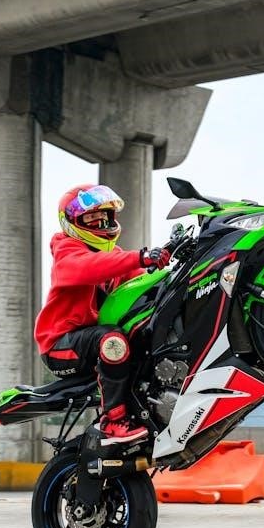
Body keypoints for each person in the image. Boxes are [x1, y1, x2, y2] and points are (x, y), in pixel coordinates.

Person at [34, 183, 170, 445]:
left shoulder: (114, 257)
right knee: (112, 341)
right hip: (60, 345)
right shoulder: (67, 250)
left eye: (103, 216)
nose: (99, 222)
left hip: (90, 338)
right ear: (73, 223)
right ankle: (113, 422)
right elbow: (86, 267)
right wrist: (140, 257)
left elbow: (144, 284)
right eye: (91, 218)